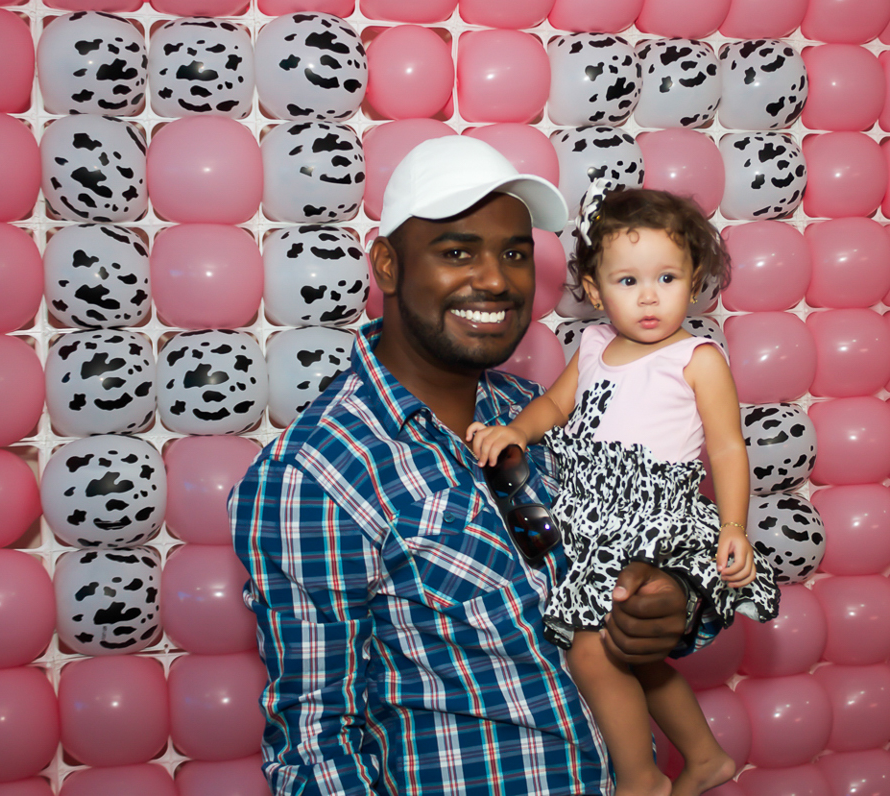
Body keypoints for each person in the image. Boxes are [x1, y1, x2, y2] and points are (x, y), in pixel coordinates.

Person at [231, 136, 720, 796]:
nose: (495, 279)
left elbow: (672, 576)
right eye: (457, 251)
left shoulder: (544, 415)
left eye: (515, 254)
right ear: (387, 266)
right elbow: (319, 740)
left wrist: (674, 600)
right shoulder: (317, 476)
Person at [469, 182, 779, 796]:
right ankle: (705, 757)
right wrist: (513, 432)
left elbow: (726, 449)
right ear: (593, 288)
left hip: (656, 521)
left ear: (694, 281)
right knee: (632, 653)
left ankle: (641, 780)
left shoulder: (696, 358)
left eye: (667, 278)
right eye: (627, 281)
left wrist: (734, 528)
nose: (649, 298)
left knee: (592, 652)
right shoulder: (591, 345)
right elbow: (555, 406)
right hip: (594, 520)